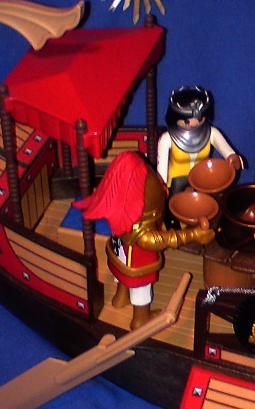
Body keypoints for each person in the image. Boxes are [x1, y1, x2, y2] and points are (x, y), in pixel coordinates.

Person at [74, 152, 214, 329]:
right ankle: (140, 318)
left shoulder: (120, 216)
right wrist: (193, 235)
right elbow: (161, 240)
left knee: (122, 277)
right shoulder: (141, 230)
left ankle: (120, 298)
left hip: (120, 257)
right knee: (141, 290)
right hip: (138, 266)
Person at [156, 86, 242, 195]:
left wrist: (232, 157)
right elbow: (162, 166)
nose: (194, 123)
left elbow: (227, 152)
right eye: (187, 121)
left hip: (203, 178)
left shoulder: (211, 133)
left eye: (200, 119)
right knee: (175, 202)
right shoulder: (167, 138)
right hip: (176, 180)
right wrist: (162, 183)